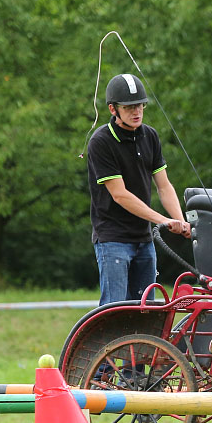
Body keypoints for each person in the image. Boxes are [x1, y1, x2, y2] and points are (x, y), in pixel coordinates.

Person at [86, 74, 191, 306]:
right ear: (113, 109)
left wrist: (179, 220)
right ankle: (109, 345)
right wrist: (162, 220)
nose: (137, 112)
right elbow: (120, 195)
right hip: (113, 239)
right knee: (115, 312)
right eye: (130, 107)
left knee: (146, 312)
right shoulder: (101, 141)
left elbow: (164, 186)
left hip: (143, 240)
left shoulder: (150, 136)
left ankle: (143, 345)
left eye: (140, 105)